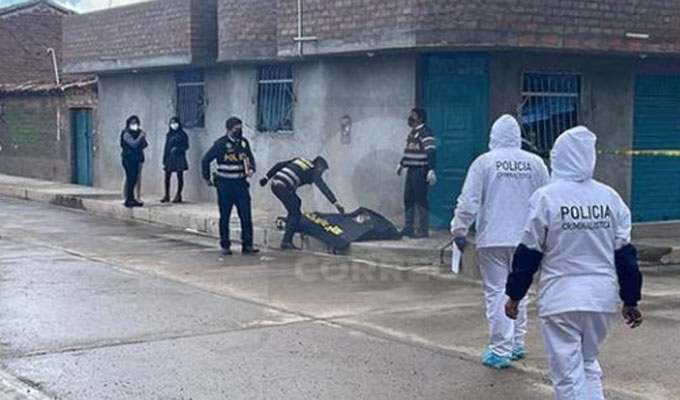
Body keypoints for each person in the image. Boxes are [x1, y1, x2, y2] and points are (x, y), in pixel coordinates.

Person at [505, 126, 643, 400]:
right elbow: (626, 256)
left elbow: (529, 253)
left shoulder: (546, 198)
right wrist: (630, 300)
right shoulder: (610, 198)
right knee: (588, 363)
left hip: (560, 298)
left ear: (558, 157)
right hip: (600, 299)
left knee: (567, 375)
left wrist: (514, 295)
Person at [450, 114, 550, 369]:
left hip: (493, 238)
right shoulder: (536, 163)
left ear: (493, 137)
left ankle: (500, 349)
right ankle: (516, 343)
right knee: (519, 290)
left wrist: (459, 229)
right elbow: (548, 200)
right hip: (528, 238)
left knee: (496, 292)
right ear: (517, 137)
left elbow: (468, 201)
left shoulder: (484, 162)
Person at [201, 117, 259, 256]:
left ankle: (248, 245)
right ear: (229, 129)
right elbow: (205, 160)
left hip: (241, 185)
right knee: (225, 216)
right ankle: (225, 245)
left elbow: (250, 159)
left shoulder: (243, 143)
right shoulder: (221, 144)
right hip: (225, 186)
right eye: (236, 129)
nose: (239, 131)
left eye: (240, 128)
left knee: (246, 216)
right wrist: (207, 178)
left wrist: (251, 169)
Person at [259, 156, 345, 250]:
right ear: (319, 166)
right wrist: (336, 203)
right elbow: (323, 187)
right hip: (284, 187)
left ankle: (286, 224)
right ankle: (286, 241)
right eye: (322, 171)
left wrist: (266, 178)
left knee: (296, 203)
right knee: (296, 214)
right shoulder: (314, 171)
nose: (321, 173)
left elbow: (279, 165)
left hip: (275, 183)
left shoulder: (300, 160)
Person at [397, 108, 436, 238]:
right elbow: (409, 151)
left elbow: (431, 152)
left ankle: (423, 230)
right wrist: (402, 164)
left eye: (413, 116)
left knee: (420, 200)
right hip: (411, 170)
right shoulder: (412, 133)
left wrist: (431, 169)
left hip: (421, 170)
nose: (411, 118)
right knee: (408, 199)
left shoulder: (426, 133)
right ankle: (408, 227)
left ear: (420, 118)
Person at [120, 115, 148, 208]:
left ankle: (134, 198)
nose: (134, 125)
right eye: (132, 123)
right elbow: (133, 144)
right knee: (129, 178)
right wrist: (140, 137)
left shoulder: (138, 132)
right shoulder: (126, 133)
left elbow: (145, 144)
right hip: (129, 159)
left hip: (137, 158)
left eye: (136, 123)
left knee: (135, 178)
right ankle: (127, 197)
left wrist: (142, 138)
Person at [161, 117, 189, 203]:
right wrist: (164, 159)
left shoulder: (183, 134)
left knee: (179, 176)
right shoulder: (169, 134)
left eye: (175, 122)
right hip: (170, 157)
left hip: (179, 157)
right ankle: (166, 195)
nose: (173, 124)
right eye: (172, 123)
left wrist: (178, 148)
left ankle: (178, 194)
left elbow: (186, 146)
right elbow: (166, 147)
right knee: (167, 176)